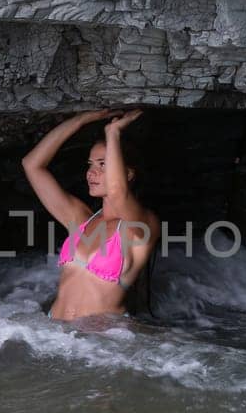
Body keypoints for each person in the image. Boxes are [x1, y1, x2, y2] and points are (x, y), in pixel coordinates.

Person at [21, 109, 159, 321]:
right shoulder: (81, 219)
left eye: (102, 164)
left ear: (128, 174)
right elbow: (32, 165)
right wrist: (79, 120)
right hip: (54, 334)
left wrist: (113, 133)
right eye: (90, 165)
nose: (91, 173)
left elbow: (117, 193)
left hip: (99, 344)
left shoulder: (141, 226)